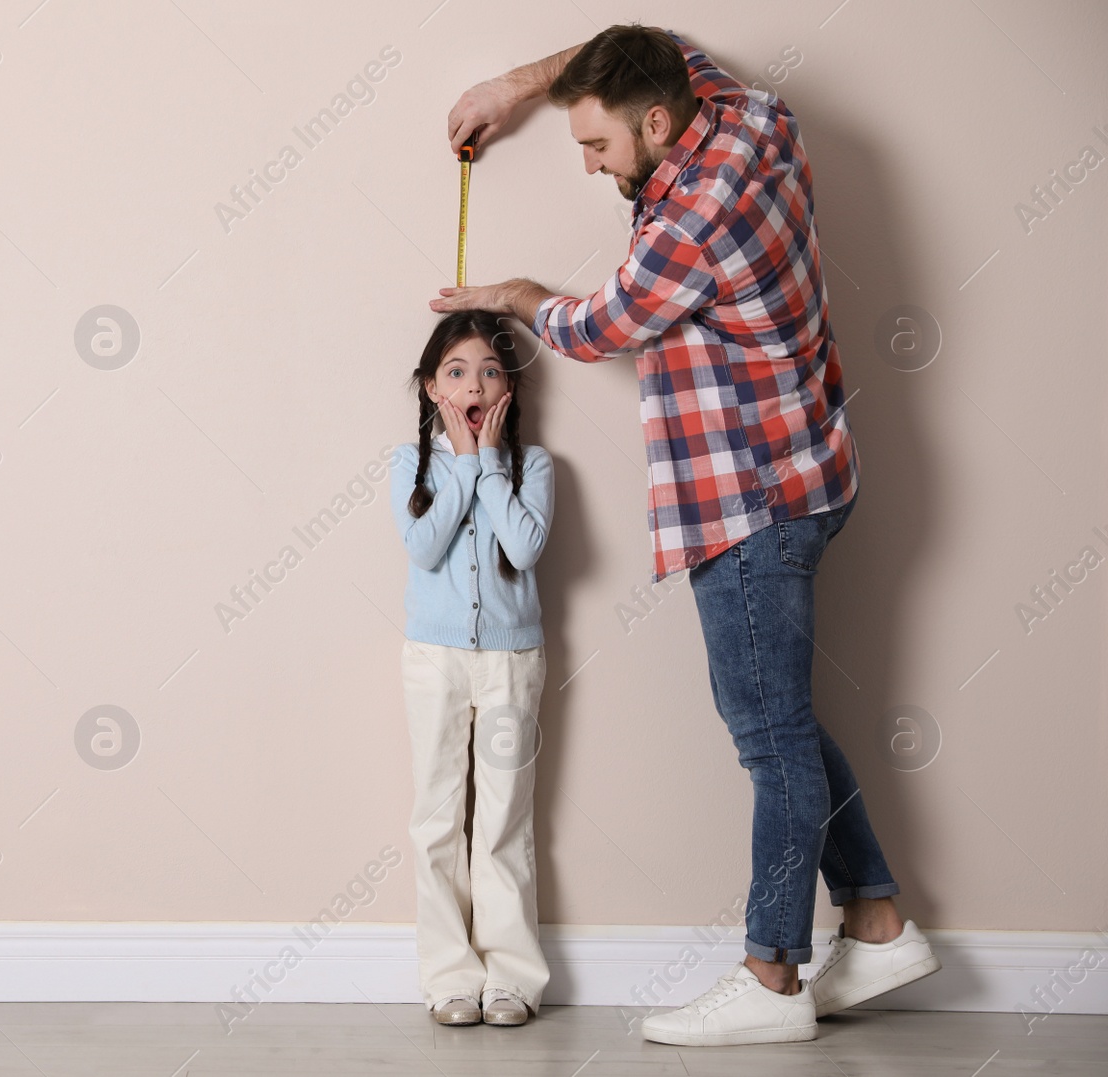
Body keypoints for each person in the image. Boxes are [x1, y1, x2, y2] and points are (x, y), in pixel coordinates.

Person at [432, 24, 940, 1046]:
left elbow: (594, 326)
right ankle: (877, 922)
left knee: (766, 737)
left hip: (748, 501)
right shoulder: (750, 120)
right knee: (782, 723)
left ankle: (772, 976)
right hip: (808, 469)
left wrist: (512, 294)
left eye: (598, 148)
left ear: (656, 124)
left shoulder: (686, 230)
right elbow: (650, 39)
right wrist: (523, 86)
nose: (587, 164)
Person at [389, 310, 555, 1027]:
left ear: (508, 389)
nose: (474, 382)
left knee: (503, 821)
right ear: (433, 388)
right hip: (434, 658)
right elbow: (423, 548)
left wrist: (486, 463)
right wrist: (459, 462)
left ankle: (512, 978)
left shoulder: (534, 466)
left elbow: (523, 547)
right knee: (435, 817)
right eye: (456, 371)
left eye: (490, 369)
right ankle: (449, 977)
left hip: (512, 661)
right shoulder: (408, 464)